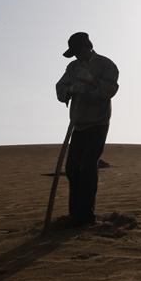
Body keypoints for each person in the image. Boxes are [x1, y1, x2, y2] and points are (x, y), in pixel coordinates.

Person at [55, 32, 119, 226]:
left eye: (77, 51)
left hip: (97, 124)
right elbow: (60, 87)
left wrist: (91, 83)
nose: (75, 56)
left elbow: (109, 91)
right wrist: (70, 90)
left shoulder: (106, 65)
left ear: (86, 47)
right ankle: (75, 213)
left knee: (88, 168)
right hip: (78, 123)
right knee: (72, 169)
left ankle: (86, 216)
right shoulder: (73, 67)